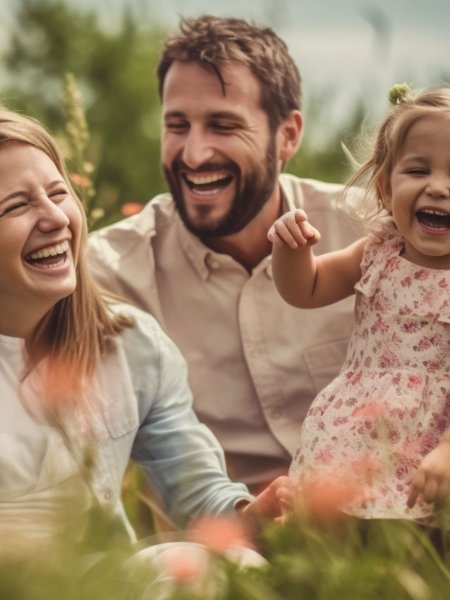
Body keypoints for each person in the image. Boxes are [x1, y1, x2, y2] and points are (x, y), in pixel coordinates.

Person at [88, 15, 364, 494]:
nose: (194, 154)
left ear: (288, 135)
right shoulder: (110, 272)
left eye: (223, 125)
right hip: (224, 542)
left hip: (390, 527)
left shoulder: (376, 231)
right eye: (177, 125)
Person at [0, 106, 290, 554]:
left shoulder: (131, 345)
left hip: (110, 582)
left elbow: (195, 491)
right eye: (16, 206)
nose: (55, 219)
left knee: (215, 567)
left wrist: (254, 519)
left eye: (58, 194)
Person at [268, 84, 450, 521]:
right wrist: (291, 250)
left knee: (420, 548)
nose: (439, 188)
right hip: (353, 436)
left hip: (433, 445)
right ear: (386, 189)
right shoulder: (377, 252)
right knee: (335, 538)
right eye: (418, 170)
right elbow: (305, 289)